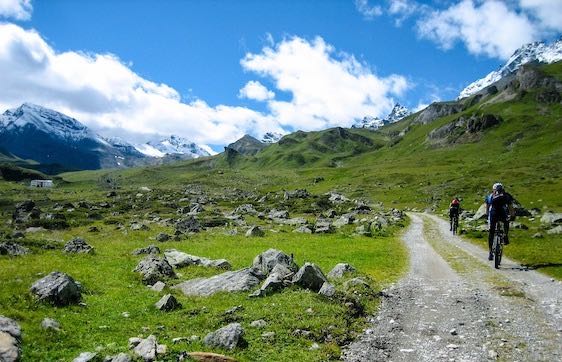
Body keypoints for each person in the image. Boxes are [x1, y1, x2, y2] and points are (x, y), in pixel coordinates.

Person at [486, 183, 514, 260]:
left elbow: (488, 207)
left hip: (493, 213)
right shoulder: (506, 195)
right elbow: (510, 207)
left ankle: (490, 252)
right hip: (502, 212)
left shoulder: (490, 196)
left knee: (491, 232)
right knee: (506, 221)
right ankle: (505, 235)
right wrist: (512, 216)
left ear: (493, 189)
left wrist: (487, 216)